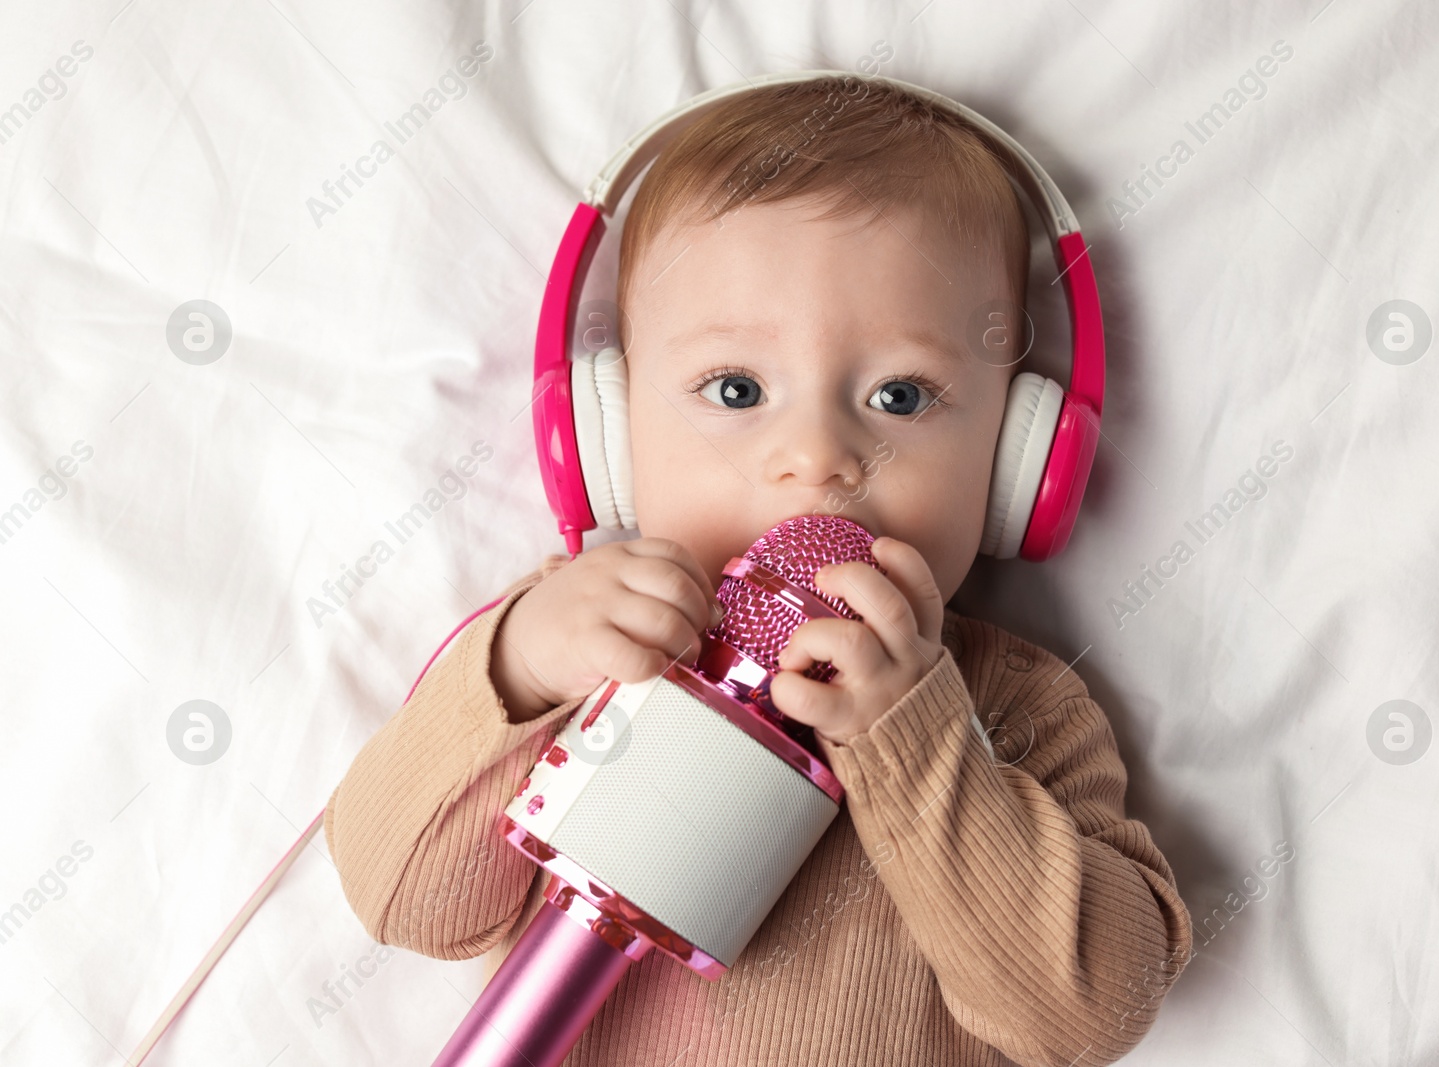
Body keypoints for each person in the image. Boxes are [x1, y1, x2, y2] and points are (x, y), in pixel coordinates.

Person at [324, 73, 1193, 1067]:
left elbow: (1089, 1012)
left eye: (901, 395)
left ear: (1017, 462)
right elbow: (403, 899)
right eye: (736, 388)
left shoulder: (1012, 705)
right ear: (602, 437)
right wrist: (517, 668)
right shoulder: (586, 646)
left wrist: (917, 740)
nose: (816, 454)